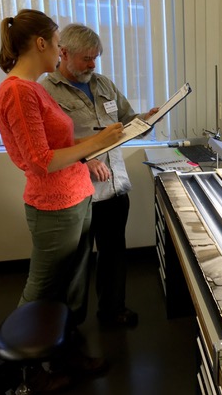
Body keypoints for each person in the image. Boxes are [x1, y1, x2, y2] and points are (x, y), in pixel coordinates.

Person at [0, 9, 122, 389]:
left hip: (76, 196)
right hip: (53, 205)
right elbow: (40, 161)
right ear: (42, 44)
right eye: (56, 44)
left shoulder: (32, 88)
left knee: (71, 287)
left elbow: (61, 145)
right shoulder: (19, 91)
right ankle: (21, 370)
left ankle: (65, 352)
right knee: (43, 289)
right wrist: (97, 143)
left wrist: (102, 139)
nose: (59, 51)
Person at [41, 24, 158, 328]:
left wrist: (147, 120)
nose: (92, 64)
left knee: (114, 253)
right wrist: (86, 156)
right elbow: (47, 146)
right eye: (86, 58)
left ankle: (113, 309)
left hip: (114, 185)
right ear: (63, 53)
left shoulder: (103, 83)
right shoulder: (46, 90)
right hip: (76, 191)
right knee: (77, 263)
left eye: (96, 57)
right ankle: (70, 327)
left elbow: (127, 120)